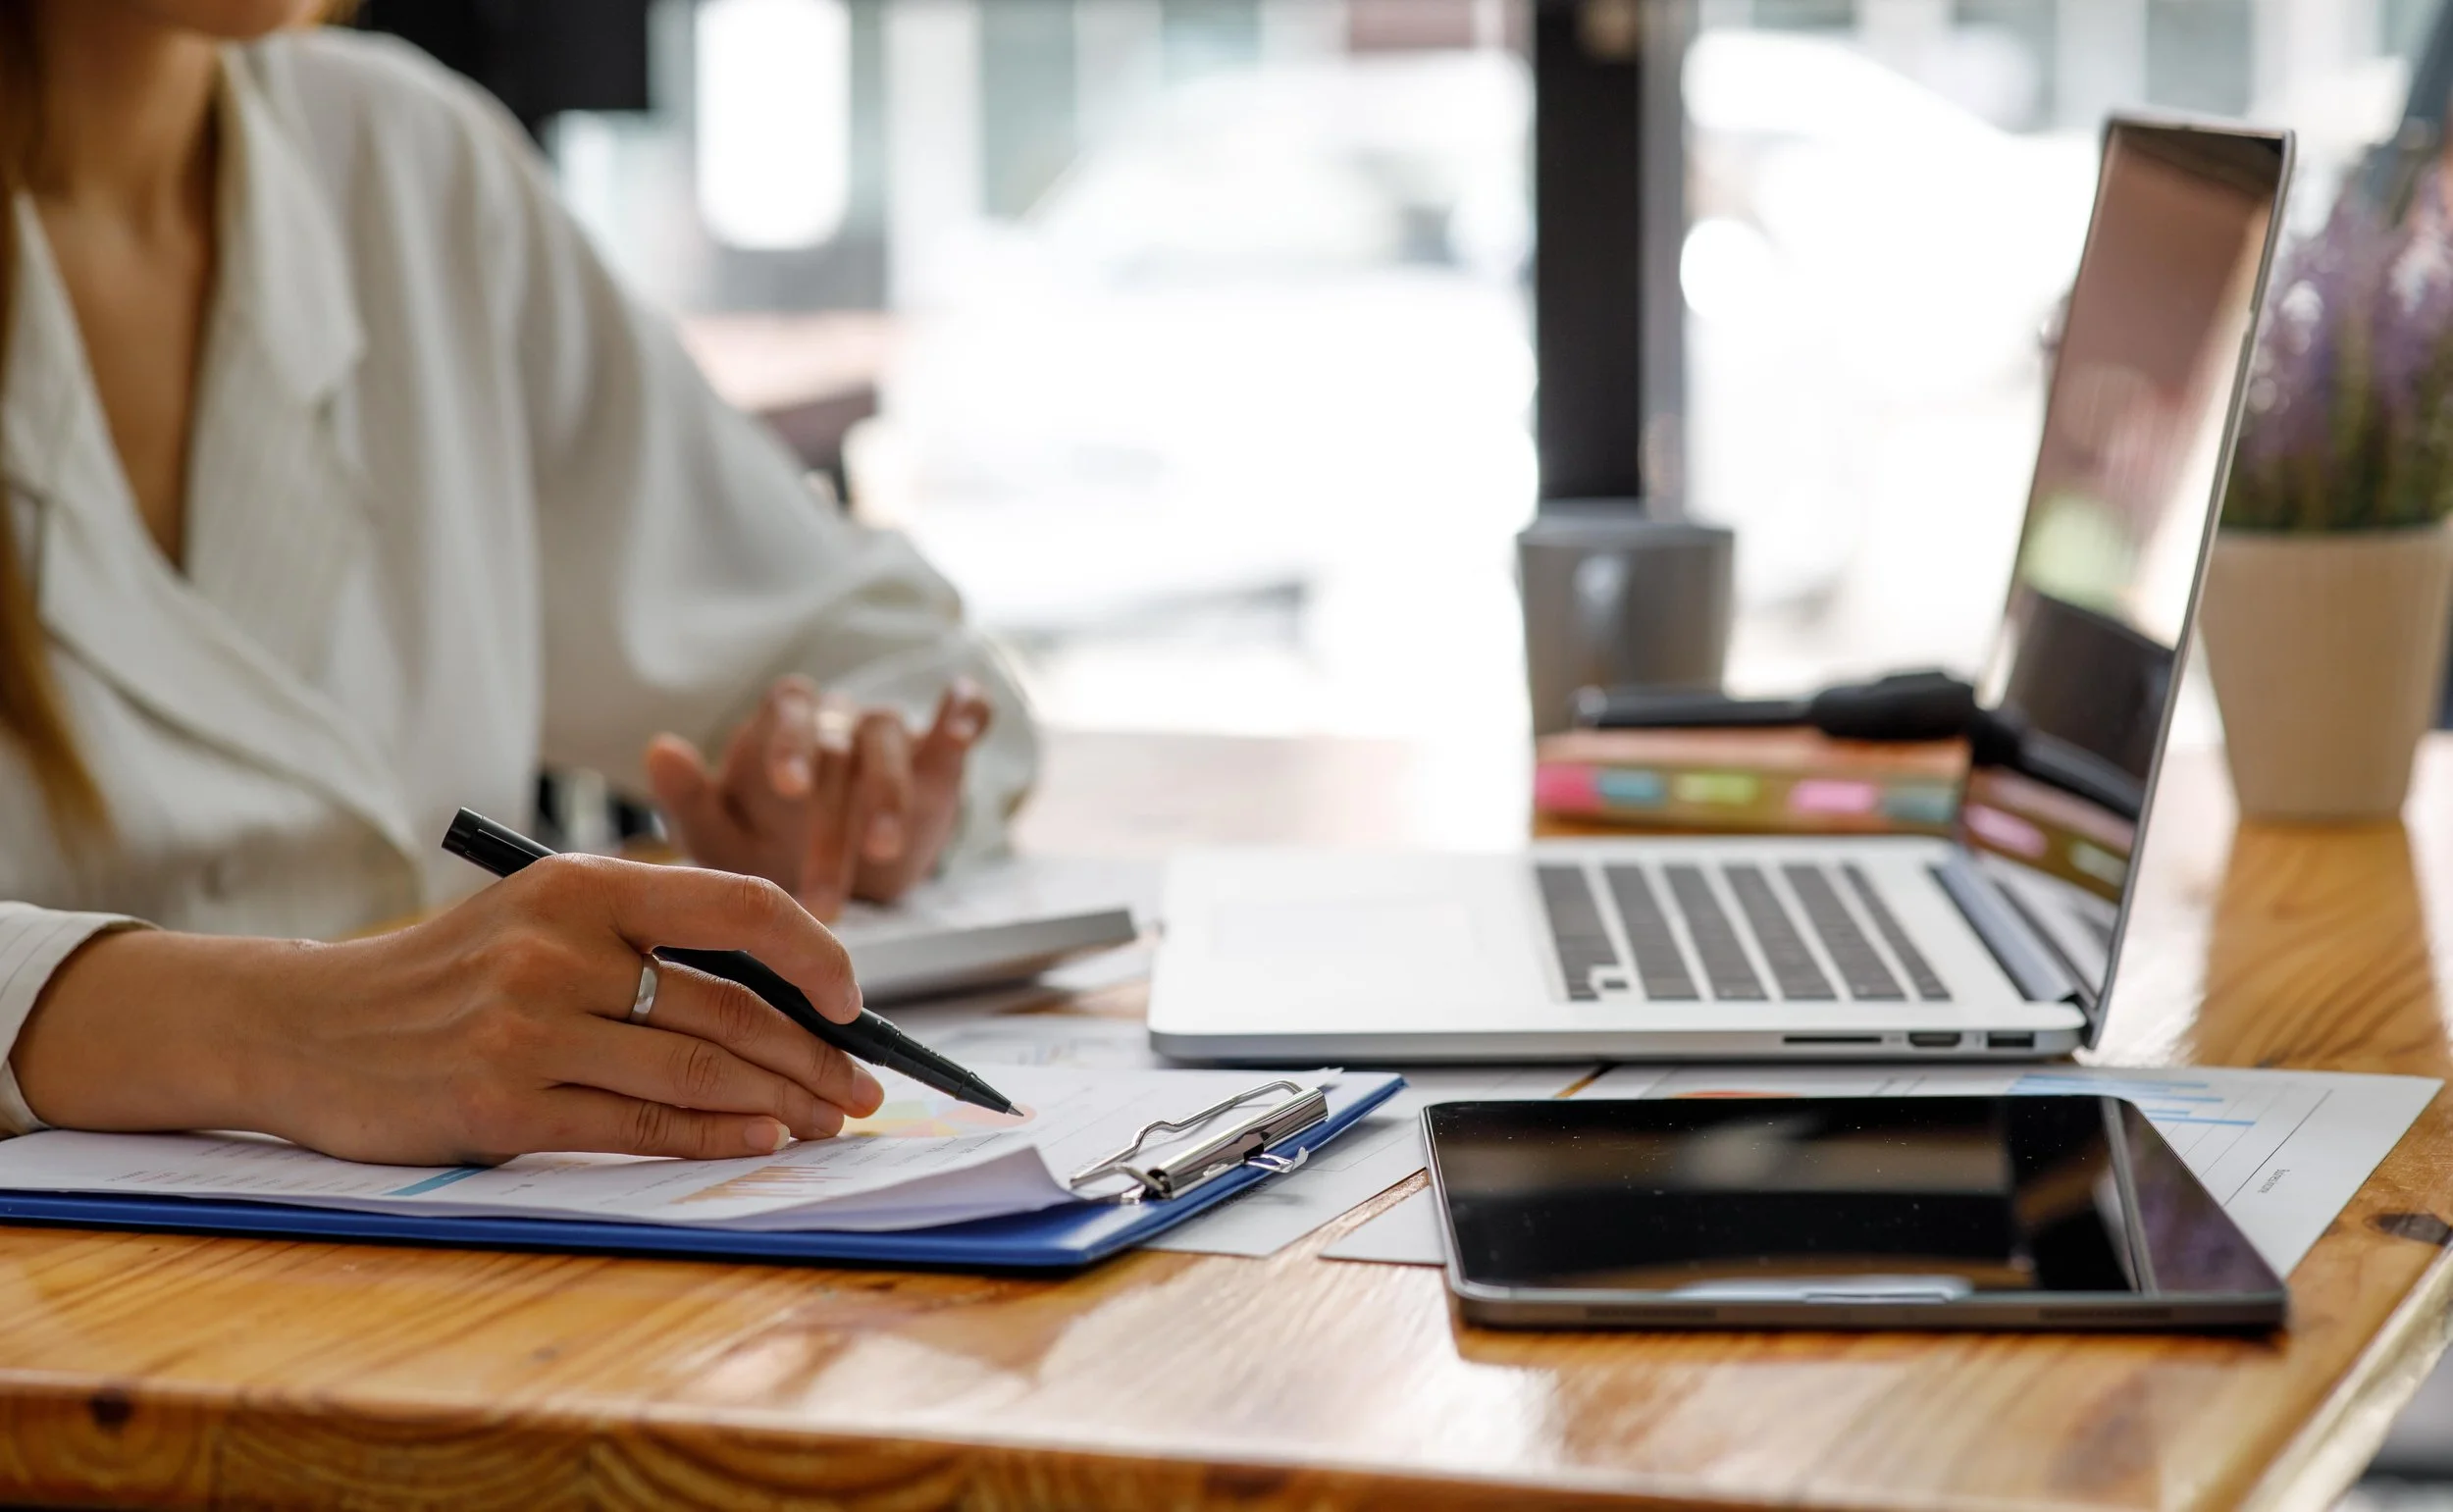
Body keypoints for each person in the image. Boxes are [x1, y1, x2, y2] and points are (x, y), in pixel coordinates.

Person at [0, 3, 1038, 1166]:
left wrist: (845, 773)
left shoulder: (404, 163)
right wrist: (273, 1026)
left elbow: (877, 643)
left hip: (445, 1303)